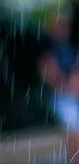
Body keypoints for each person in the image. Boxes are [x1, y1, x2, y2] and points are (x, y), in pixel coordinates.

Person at [39, 11, 79, 163]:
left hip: (73, 94)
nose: (61, 30)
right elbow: (50, 76)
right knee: (73, 133)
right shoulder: (47, 52)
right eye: (57, 27)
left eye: (63, 26)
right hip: (63, 97)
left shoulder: (72, 48)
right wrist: (69, 86)